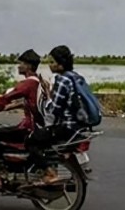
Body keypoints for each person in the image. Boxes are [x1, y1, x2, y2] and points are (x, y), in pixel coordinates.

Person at [0, 49, 48, 190]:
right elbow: (28, 103)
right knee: (2, 131)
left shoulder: (27, 84)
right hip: (38, 127)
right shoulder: (39, 81)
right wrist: (3, 108)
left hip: (29, 129)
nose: (18, 66)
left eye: (21, 63)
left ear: (28, 66)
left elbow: (4, 98)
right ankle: (7, 167)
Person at [27, 45, 87, 185]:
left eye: (52, 62)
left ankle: (50, 172)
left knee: (31, 140)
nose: (49, 65)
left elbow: (54, 109)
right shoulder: (76, 77)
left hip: (66, 127)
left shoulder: (62, 80)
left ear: (61, 65)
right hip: (77, 126)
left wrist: (47, 97)